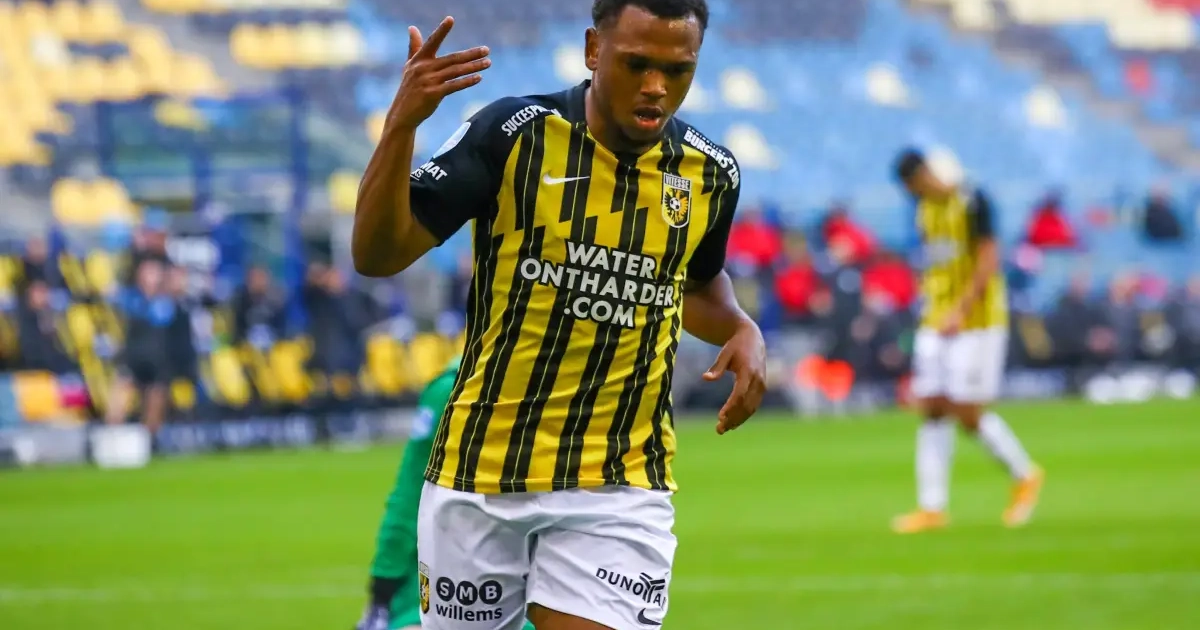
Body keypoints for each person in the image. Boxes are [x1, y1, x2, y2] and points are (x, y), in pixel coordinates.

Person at [351, 1, 767, 628]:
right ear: (594, 50)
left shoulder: (710, 173)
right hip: (481, 469)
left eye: (678, 70)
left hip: (618, 478)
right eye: (637, 64)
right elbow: (376, 254)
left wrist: (740, 326)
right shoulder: (512, 135)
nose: (657, 86)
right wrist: (401, 127)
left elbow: (697, 281)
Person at [891, 149, 1044, 534]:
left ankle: (1024, 473)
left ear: (923, 175)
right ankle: (932, 507)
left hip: (977, 320)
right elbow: (933, 262)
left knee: (966, 410)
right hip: (935, 318)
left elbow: (988, 259)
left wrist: (960, 310)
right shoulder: (923, 209)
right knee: (932, 406)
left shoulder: (973, 200)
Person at [354, 356, 536, 630]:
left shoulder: (452, 386)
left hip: (455, 576)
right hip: (547, 579)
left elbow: (410, 491)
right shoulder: (574, 380)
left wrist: (383, 585)